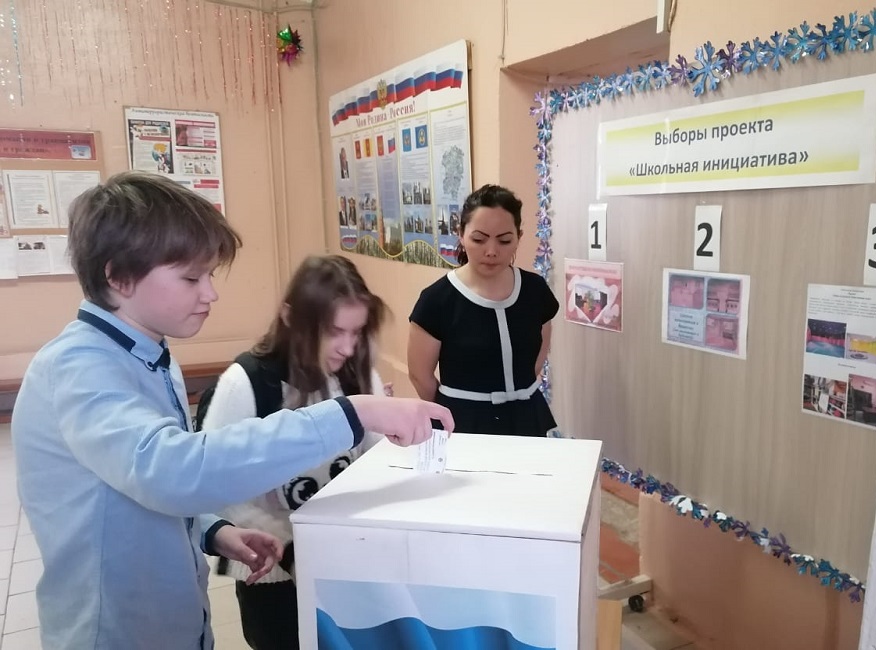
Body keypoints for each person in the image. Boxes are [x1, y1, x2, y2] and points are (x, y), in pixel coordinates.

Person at [11, 171, 452, 650]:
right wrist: (350, 413)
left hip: (175, 620)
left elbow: (132, 488)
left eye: (210, 275)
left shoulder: (147, 355)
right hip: (115, 632)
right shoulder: (80, 368)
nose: (210, 293)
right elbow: (172, 469)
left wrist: (213, 530)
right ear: (118, 276)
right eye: (191, 278)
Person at [200, 254, 392, 649]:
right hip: (271, 574)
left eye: (356, 332)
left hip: (343, 564)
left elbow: (378, 462)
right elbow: (214, 486)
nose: (347, 347)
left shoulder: (358, 374)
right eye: (334, 332)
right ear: (291, 318)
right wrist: (290, 551)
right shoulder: (247, 382)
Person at [407, 184, 559, 437]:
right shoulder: (437, 300)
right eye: (479, 239)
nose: (491, 251)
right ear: (461, 234)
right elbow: (420, 376)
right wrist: (453, 410)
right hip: (463, 423)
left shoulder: (535, 290)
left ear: (519, 237)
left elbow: (536, 358)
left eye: (504, 240)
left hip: (527, 417)